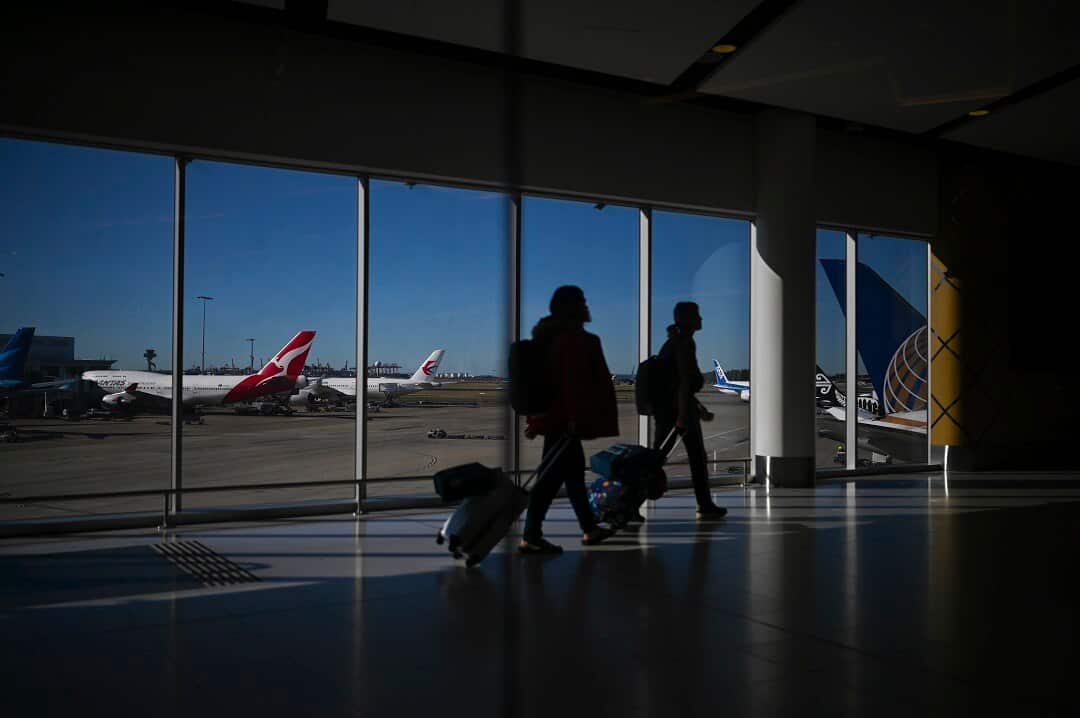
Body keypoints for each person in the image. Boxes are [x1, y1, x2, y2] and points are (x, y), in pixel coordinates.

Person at [520, 286, 619, 554]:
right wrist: (575, 419)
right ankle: (535, 534)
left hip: (555, 421)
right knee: (553, 481)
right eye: (582, 301)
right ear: (572, 307)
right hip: (565, 423)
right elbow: (572, 384)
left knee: (567, 477)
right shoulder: (573, 340)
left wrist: (536, 420)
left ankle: (585, 529)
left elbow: (544, 384)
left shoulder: (549, 339)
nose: (587, 305)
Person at [654, 302, 728, 519]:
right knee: (687, 459)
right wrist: (684, 416)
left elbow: (680, 383)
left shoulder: (676, 342)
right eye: (697, 315)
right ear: (687, 319)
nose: (701, 319)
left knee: (661, 458)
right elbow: (684, 382)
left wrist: (698, 408)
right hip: (679, 413)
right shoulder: (683, 343)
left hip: (676, 410)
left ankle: (631, 502)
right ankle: (704, 505)